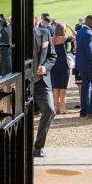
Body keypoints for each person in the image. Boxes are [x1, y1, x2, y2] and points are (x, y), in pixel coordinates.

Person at [31, 18, 57, 157]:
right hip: (22, 83)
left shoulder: (45, 32)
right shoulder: (12, 33)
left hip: (41, 82)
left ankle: (38, 147)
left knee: (50, 110)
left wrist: (45, 67)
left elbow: (52, 56)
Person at [49, 22, 73, 115]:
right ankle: (63, 108)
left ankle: (55, 107)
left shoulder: (51, 39)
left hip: (54, 65)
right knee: (63, 87)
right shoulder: (65, 38)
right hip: (63, 65)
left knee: (55, 87)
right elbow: (76, 35)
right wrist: (69, 26)